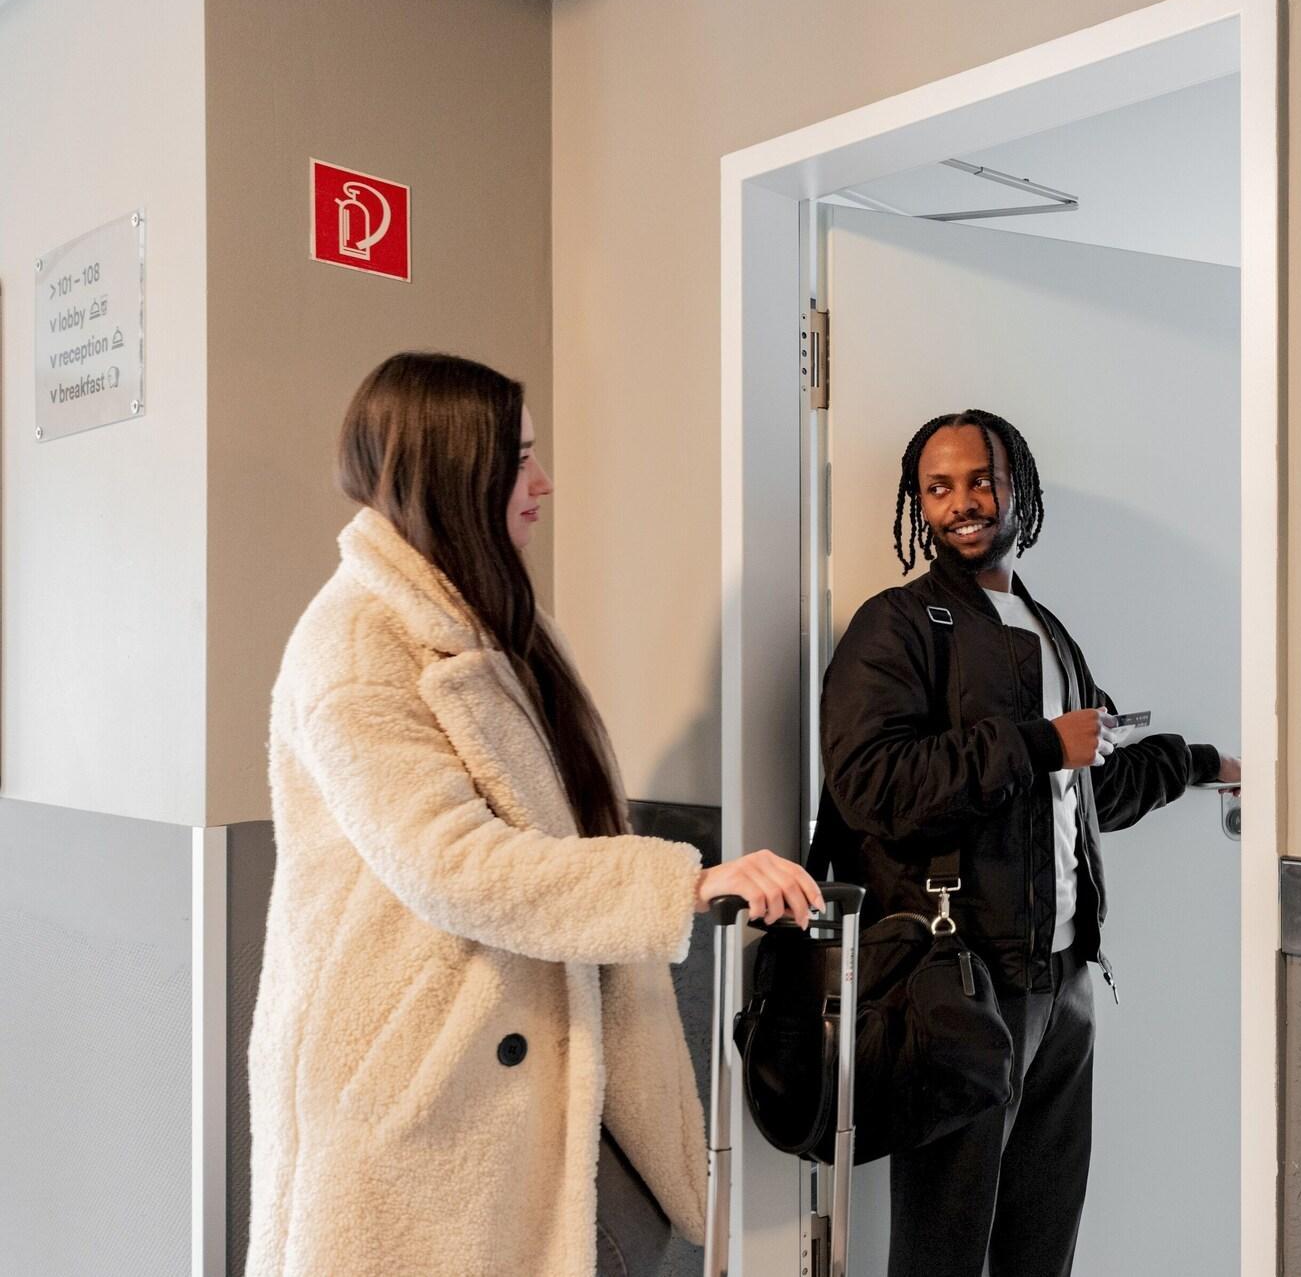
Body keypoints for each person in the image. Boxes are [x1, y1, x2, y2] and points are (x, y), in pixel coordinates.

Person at [245, 352, 821, 1277]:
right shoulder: (354, 644)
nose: (543, 481)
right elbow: (452, 863)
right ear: (452, 472)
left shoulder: (496, 615)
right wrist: (687, 880)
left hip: (533, 1054)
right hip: (426, 1082)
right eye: (518, 460)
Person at [811, 409, 1240, 1277]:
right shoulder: (896, 624)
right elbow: (872, 785)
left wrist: (1197, 763)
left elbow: (1094, 787)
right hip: (958, 987)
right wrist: (1039, 742)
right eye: (939, 487)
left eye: (981, 480)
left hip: (1065, 981)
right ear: (919, 502)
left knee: (1042, 1245)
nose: (962, 502)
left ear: (1018, 490)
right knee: (942, 1252)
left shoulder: (1051, 634)